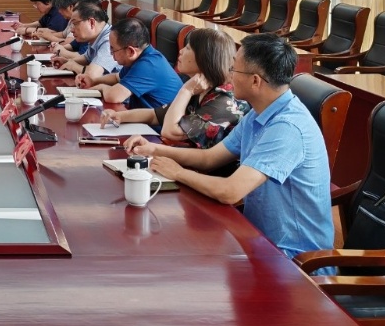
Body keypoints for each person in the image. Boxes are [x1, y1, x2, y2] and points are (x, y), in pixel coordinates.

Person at [123, 33, 333, 260]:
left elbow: (230, 191)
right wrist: (154, 149)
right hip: (255, 239)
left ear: (255, 81)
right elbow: (209, 158)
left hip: (292, 259)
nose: (230, 75)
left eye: (234, 69)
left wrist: (178, 173)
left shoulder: (287, 128)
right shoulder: (258, 113)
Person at [102, 28, 249, 147]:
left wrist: (186, 91)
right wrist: (119, 116)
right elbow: (154, 115)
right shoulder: (200, 87)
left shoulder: (223, 101)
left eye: (188, 48)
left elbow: (170, 132)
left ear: (205, 58)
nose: (181, 51)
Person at [79, 16, 183, 109]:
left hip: (158, 124)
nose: (111, 53)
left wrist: (101, 87)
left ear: (130, 51)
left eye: (113, 49)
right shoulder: (140, 56)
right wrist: (93, 81)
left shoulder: (149, 65)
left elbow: (113, 96)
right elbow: (117, 78)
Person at [50, 0, 120, 78]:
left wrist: (73, 66)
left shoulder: (109, 40)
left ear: (91, 22)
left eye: (75, 24)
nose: (72, 30)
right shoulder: (96, 37)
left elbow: (92, 75)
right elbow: (86, 59)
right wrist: (67, 61)